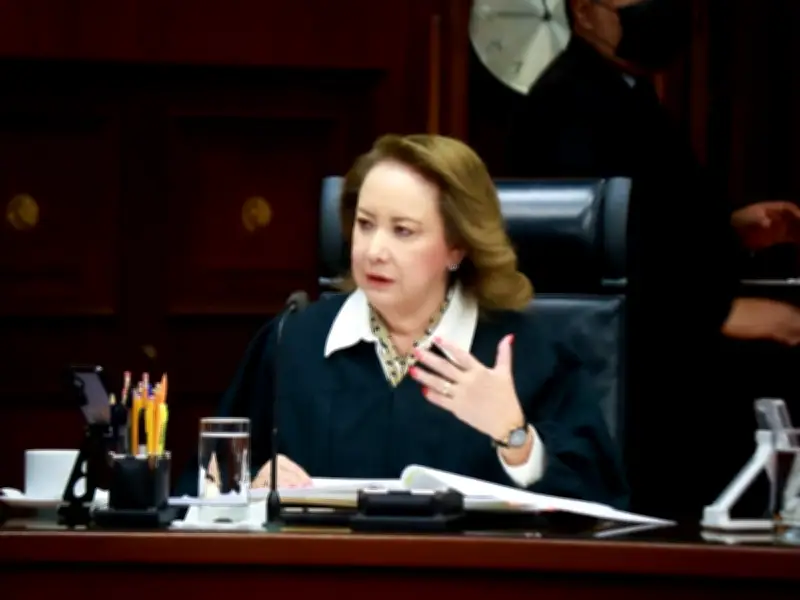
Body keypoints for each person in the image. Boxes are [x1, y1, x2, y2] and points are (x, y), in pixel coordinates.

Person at [179, 134, 629, 510]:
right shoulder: (293, 341)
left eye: (403, 231)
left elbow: (600, 510)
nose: (374, 250)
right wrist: (253, 485)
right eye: (365, 224)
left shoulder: (525, 353)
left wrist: (516, 439)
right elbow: (203, 487)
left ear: (457, 247)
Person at [505, 0, 800, 520]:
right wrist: (716, 314)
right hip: (641, 377)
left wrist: (730, 230)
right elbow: (582, 256)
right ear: (584, 12)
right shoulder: (570, 103)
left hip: (668, 357)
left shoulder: (627, 91)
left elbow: (650, 222)